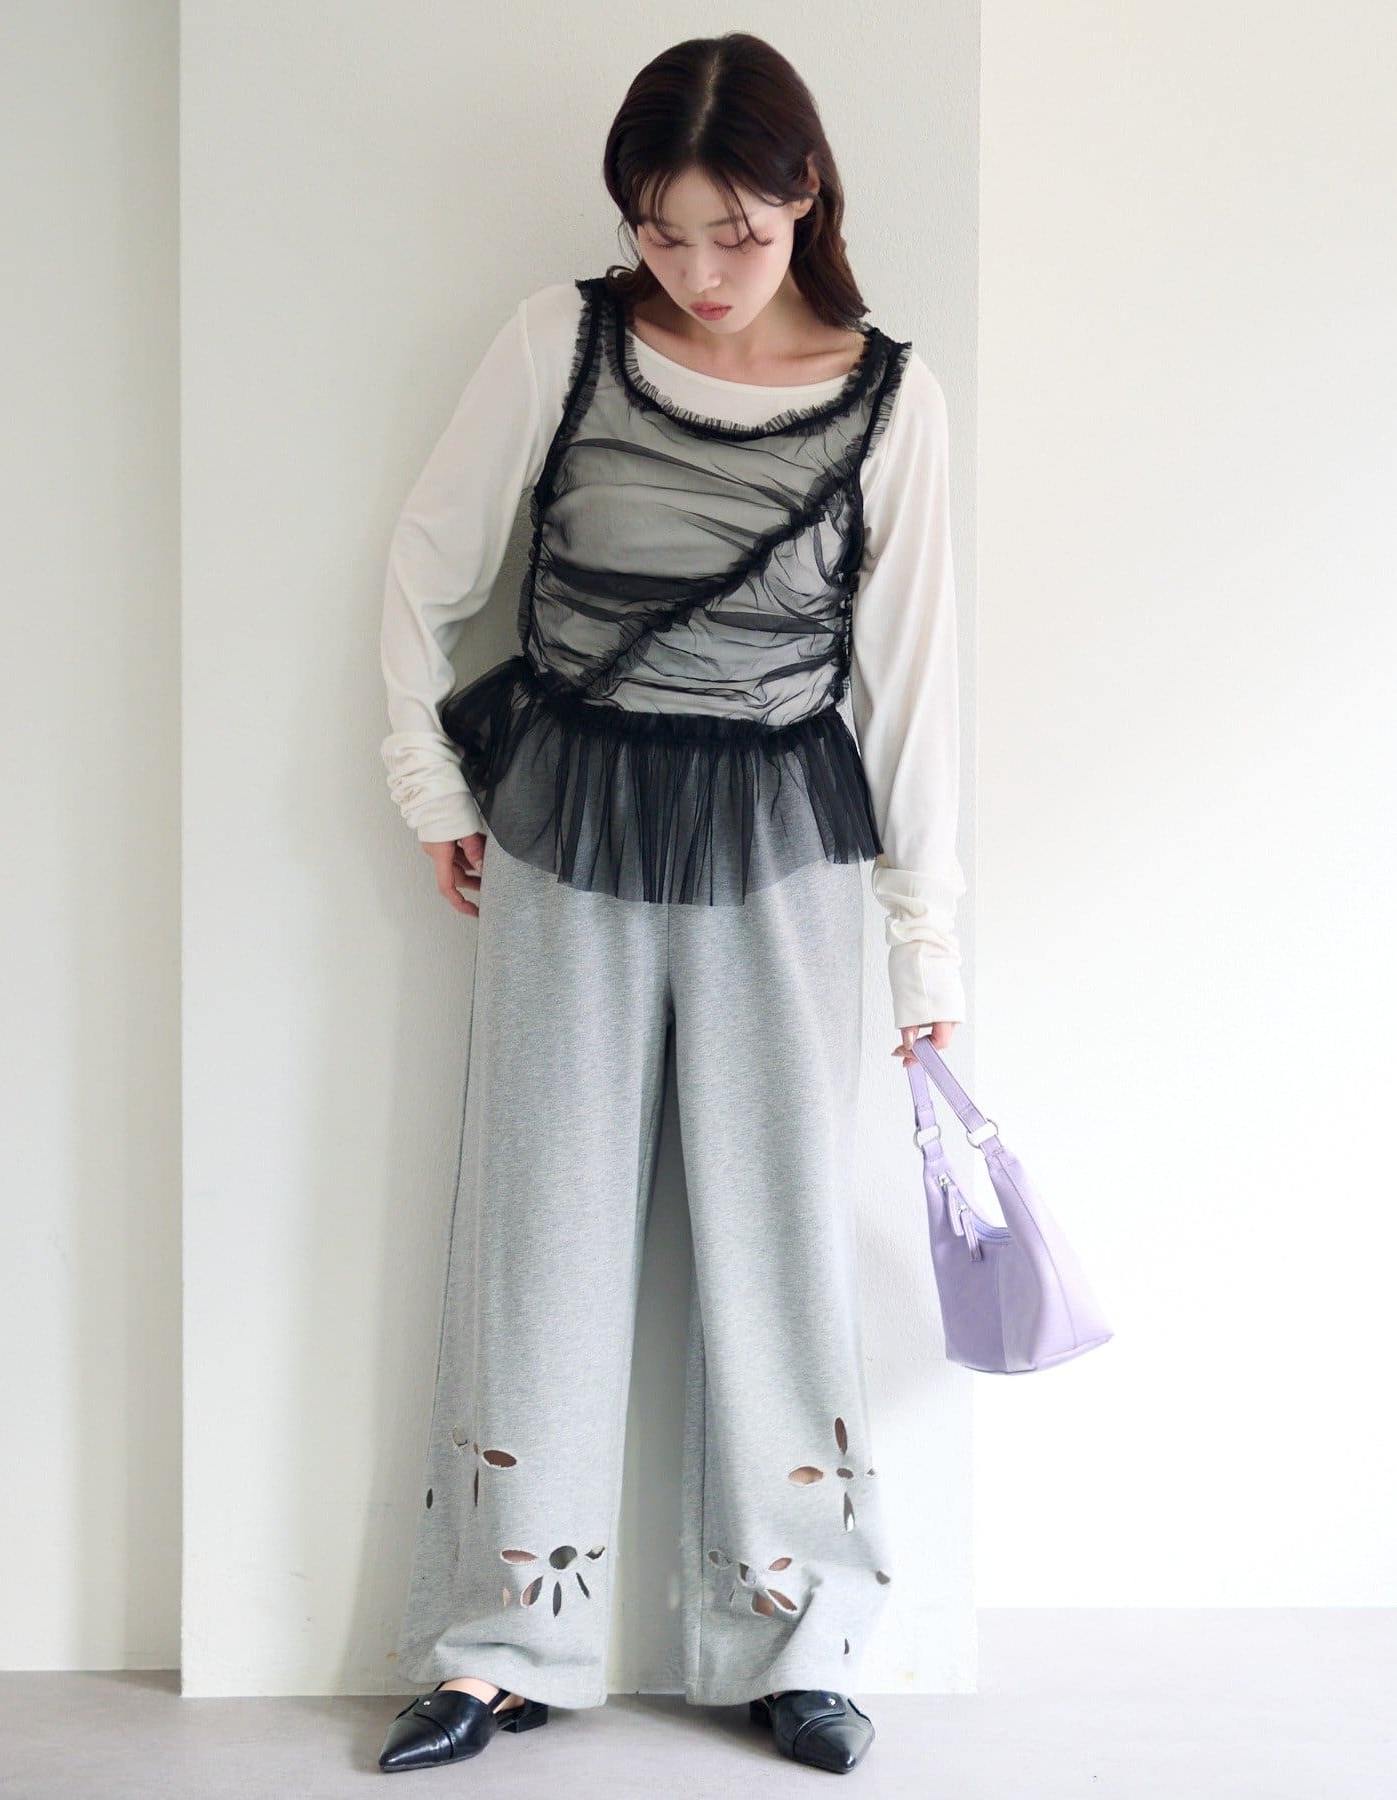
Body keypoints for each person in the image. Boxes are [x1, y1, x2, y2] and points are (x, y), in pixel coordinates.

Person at [374, 30, 966, 1777]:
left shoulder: (893, 401)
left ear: (806, 197)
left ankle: (802, 1635)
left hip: (785, 838)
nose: (701, 273)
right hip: (570, 816)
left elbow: (915, 695)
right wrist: (431, 788)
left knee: (776, 1230)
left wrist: (928, 950)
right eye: (662, 232)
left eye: (738, 233)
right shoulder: (557, 342)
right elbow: (424, 569)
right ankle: (499, 1647)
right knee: (541, 1225)